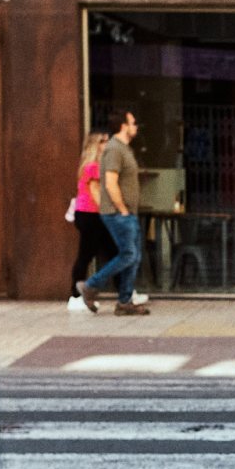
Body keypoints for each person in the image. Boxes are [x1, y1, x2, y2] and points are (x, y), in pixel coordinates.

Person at [76, 108, 152, 315]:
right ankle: (91, 285)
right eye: (133, 123)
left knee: (132, 256)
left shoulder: (125, 149)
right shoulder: (114, 149)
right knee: (128, 255)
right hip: (118, 214)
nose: (136, 127)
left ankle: (124, 301)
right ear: (123, 126)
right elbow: (110, 183)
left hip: (126, 213)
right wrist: (122, 209)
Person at [67, 131, 116, 312]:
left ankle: (124, 291)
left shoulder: (94, 166)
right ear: (96, 146)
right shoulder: (94, 167)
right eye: (103, 141)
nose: (107, 143)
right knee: (88, 255)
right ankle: (76, 295)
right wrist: (109, 213)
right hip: (91, 215)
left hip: (89, 215)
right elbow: (96, 194)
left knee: (111, 253)